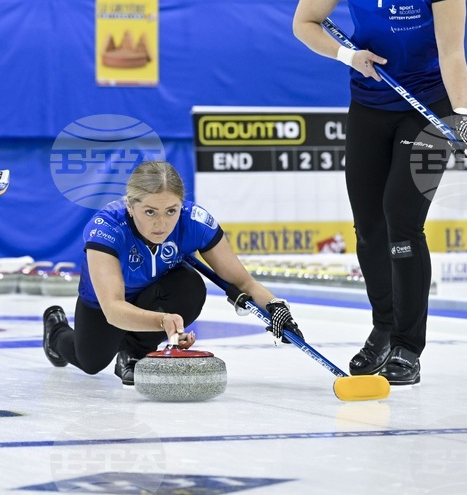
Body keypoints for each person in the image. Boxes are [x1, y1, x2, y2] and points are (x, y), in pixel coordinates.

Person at [291, 0, 467, 386]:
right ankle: (382, 331)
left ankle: (408, 348)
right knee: (368, 226)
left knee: (401, 217)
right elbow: (305, 22)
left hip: (428, 108)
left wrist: (460, 119)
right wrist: (349, 57)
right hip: (371, 102)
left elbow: (452, 53)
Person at [42, 161, 304, 386]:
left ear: (182, 205)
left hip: (154, 292)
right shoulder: (107, 228)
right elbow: (113, 308)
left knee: (190, 285)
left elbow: (243, 281)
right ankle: (56, 333)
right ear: (130, 206)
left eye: (171, 211)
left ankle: (133, 354)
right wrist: (163, 322)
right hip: (105, 304)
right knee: (91, 362)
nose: (161, 224)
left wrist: (277, 307)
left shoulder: (195, 222)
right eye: (150, 212)